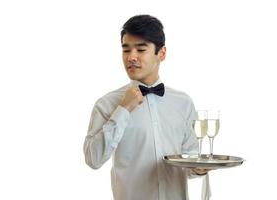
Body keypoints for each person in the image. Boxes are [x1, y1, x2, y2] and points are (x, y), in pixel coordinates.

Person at [84, 14, 209, 200]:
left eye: (141, 49)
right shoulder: (107, 104)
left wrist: (198, 169)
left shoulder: (183, 103)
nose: (131, 57)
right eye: (126, 50)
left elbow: (189, 163)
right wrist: (123, 110)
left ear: (162, 53)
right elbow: (93, 159)